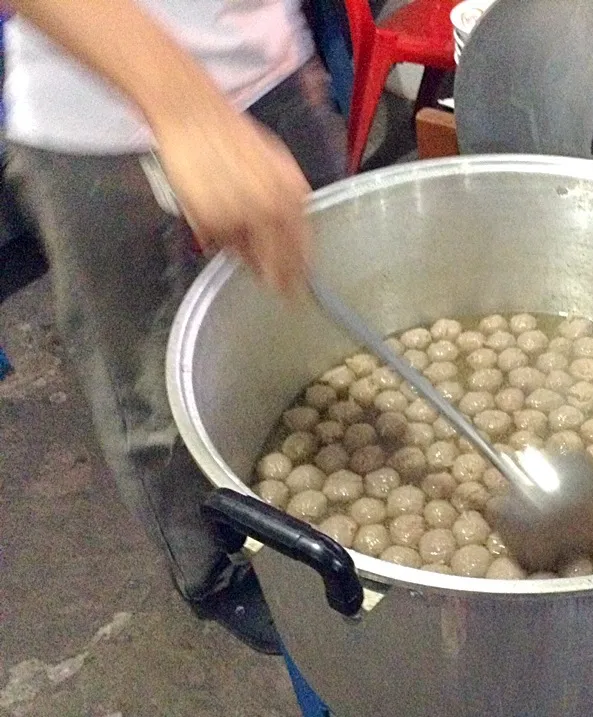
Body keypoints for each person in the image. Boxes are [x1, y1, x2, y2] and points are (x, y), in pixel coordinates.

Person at [3, 0, 348, 654]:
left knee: (326, 350)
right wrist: (188, 109)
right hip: (94, 117)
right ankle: (210, 569)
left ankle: (336, 547)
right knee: (150, 383)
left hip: (268, 72)